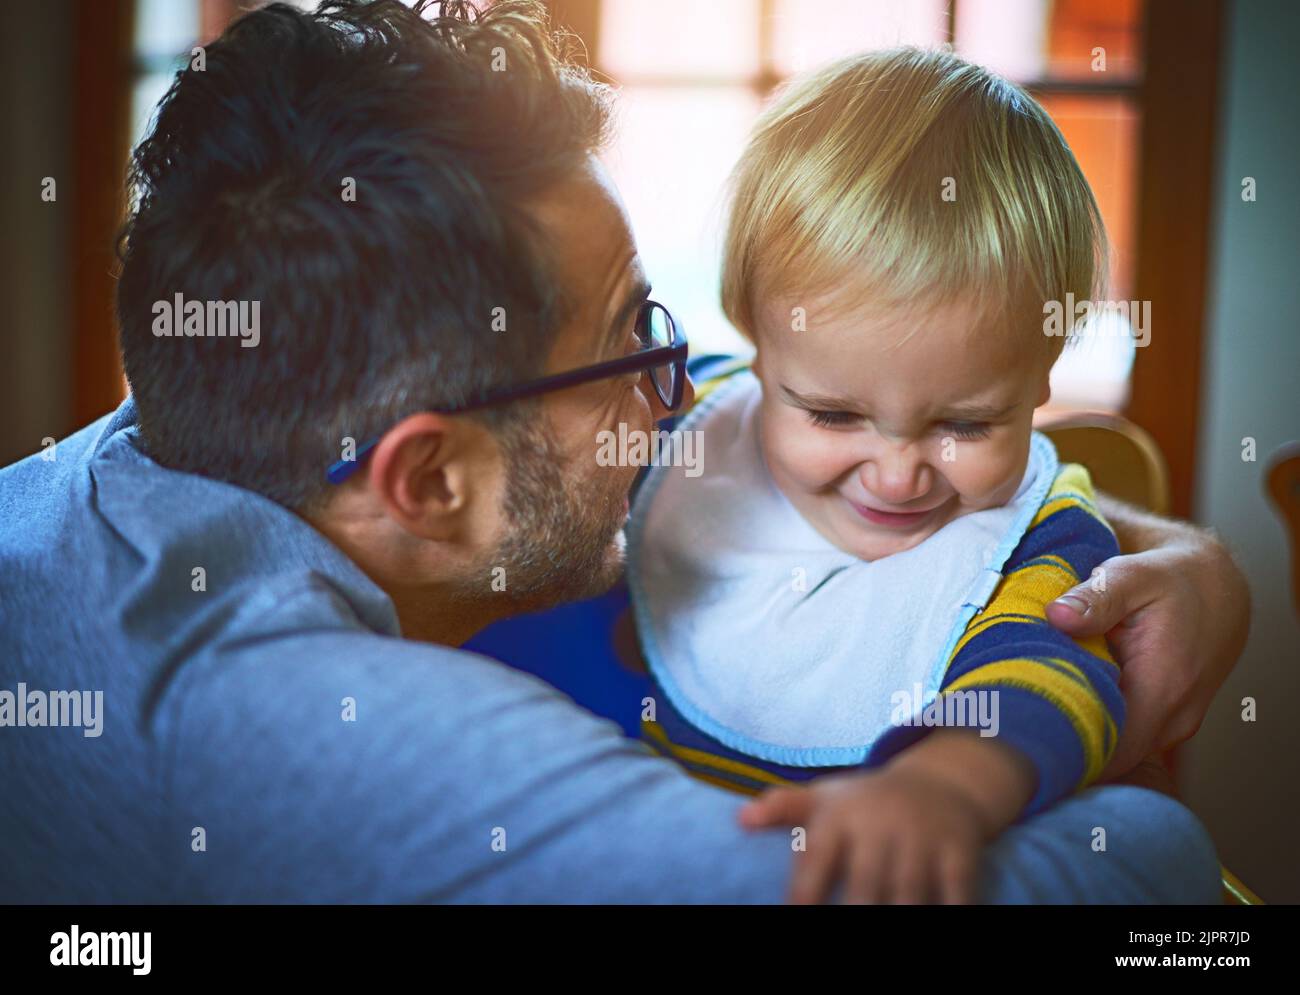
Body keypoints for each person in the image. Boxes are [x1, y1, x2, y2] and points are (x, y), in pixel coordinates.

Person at [0, 0, 1246, 903]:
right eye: (631, 345)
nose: (679, 395)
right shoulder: (349, 747)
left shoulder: (178, 437)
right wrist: (1137, 795)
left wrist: (1178, 555)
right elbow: (1135, 872)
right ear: (430, 479)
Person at [620, 47, 1175, 904]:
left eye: (964, 424)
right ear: (761, 350)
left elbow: (1041, 677)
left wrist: (943, 787)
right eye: (834, 415)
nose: (897, 473)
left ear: (1042, 378)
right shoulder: (697, 430)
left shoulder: (1036, 539)